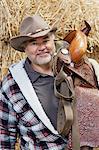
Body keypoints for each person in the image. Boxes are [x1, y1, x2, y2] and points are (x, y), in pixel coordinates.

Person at [0, 14, 68, 149]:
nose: (42, 47)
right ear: (24, 48)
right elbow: (5, 136)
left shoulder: (70, 70)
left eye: (45, 40)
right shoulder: (12, 86)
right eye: (34, 43)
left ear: (53, 41)